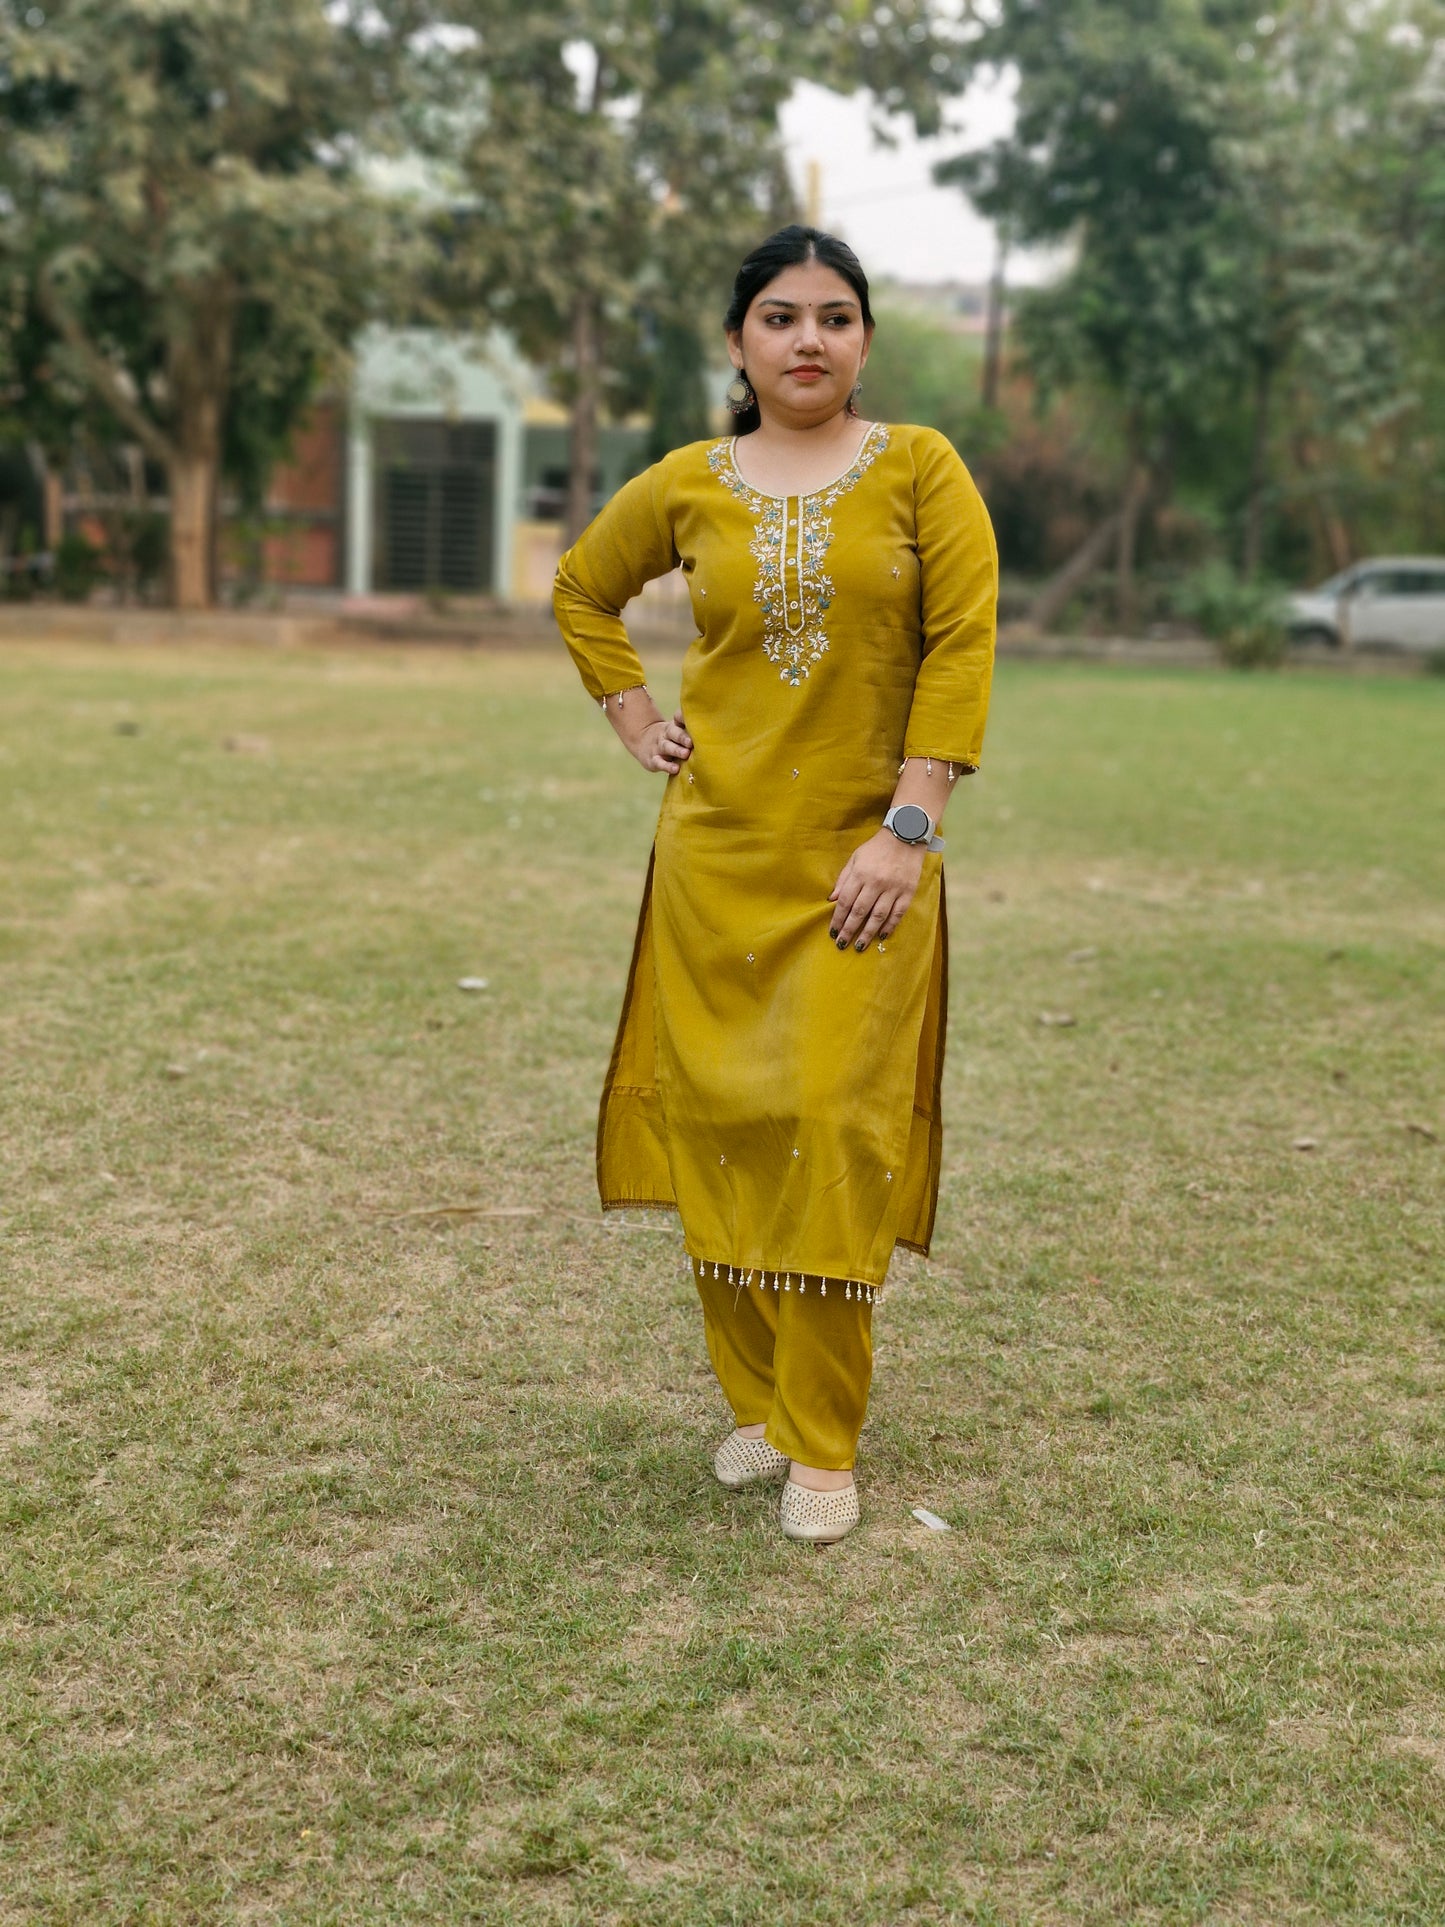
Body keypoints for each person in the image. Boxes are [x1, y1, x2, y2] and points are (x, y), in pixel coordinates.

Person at [553, 225, 997, 1545]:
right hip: (718, 858)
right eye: (781, 316)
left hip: (864, 865)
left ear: (865, 340)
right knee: (726, 1130)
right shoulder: (688, 481)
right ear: (738, 343)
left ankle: (822, 1437)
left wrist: (907, 828)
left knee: (829, 1129)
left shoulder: (919, 467)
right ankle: (757, 1402)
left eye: (836, 317)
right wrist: (635, 717)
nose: (809, 339)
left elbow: (961, 642)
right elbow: (581, 589)